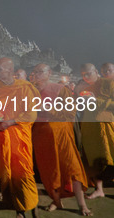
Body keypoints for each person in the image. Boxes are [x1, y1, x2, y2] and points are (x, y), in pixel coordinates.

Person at [29, 64, 91, 215]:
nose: (37, 75)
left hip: (61, 134)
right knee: (49, 172)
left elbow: (70, 112)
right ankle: (56, 201)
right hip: (41, 135)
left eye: (40, 72)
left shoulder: (59, 89)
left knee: (72, 167)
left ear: (49, 73)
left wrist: (50, 109)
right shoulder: (29, 91)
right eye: (35, 72)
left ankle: (82, 204)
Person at [0, 57, 39, 218]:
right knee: (7, 172)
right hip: (2, 137)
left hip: (20, 136)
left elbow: (31, 114)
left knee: (23, 171)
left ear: (10, 71)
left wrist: (10, 122)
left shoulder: (25, 87)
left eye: (0, 69)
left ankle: (31, 205)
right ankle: (18, 209)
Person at [77, 63, 114, 200]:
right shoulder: (87, 89)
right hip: (90, 129)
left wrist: (95, 100)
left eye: (88, 74)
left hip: (106, 127)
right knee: (93, 161)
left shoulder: (108, 83)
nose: (86, 77)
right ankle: (99, 190)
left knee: (110, 157)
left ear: (96, 71)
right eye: (83, 75)